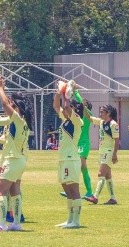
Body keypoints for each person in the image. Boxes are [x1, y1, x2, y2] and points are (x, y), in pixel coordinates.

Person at [0, 74, 33, 232]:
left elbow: (5, 104)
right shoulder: (21, 122)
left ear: (17, 109)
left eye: (13, 105)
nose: (10, 107)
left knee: (0, 189)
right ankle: (16, 223)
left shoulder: (18, 119)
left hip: (13, 160)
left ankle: (1, 224)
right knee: (14, 191)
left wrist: (0, 87)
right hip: (18, 160)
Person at [53, 81, 84, 228]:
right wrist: (58, 93)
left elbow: (65, 106)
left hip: (71, 158)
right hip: (63, 158)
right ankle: (70, 219)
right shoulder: (65, 121)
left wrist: (66, 93)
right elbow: (56, 106)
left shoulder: (77, 121)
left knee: (74, 189)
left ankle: (76, 221)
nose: (65, 110)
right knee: (66, 188)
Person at [60, 82, 94, 201]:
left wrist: (76, 92)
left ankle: (87, 191)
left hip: (84, 144)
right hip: (76, 144)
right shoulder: (77, 116)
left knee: (81, 165)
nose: (82, 103)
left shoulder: (88, 115)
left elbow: (81, 104)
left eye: (84, 103)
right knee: (80, 167)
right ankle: (74, 188)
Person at [84, 103, 120, 205]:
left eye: (102, 111)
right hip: (102, 151)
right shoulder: (101, 122)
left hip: (109, 151)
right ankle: (113, 198)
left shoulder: (113, 124)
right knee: (108, 176)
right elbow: (88, 117)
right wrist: (84, 107)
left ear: (108, 113)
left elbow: (117, 140)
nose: (100, 113)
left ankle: (95, 197)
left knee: (101, 174)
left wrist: (114, 154)